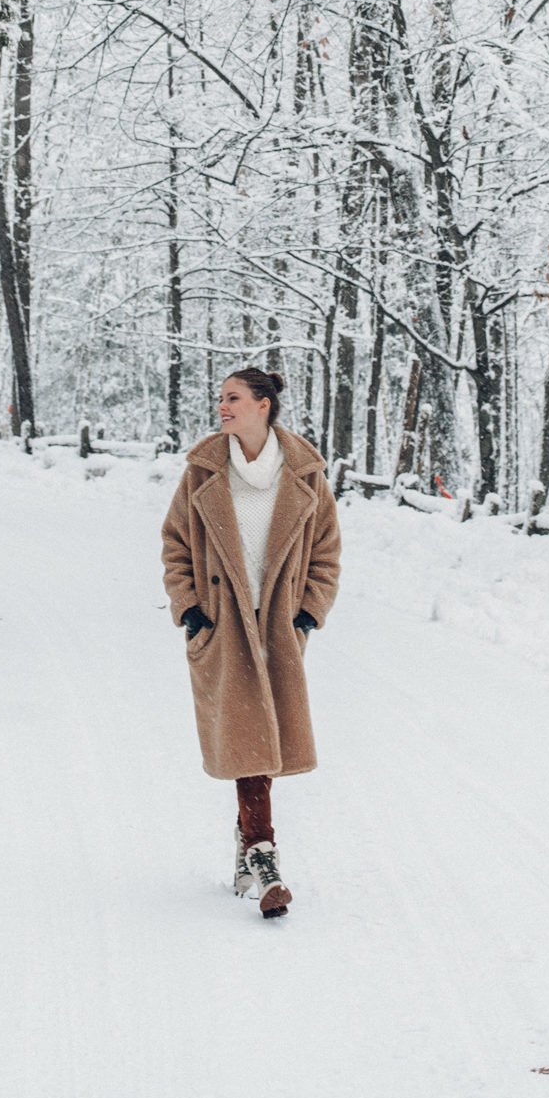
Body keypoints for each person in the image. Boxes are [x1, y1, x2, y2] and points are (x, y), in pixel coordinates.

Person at [161, 366, 341, 918]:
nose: (222, 407)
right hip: (223, 622)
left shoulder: (305, 474)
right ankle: (263, 854)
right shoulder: (203, 471)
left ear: (263, 405)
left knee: (262, 736)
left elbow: (326, 555)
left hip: (279, 626)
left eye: (233, 398)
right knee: (246, 734)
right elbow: (175, 544)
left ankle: (250, 846)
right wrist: (192, 609)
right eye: (220, 398)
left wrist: (306, 616)